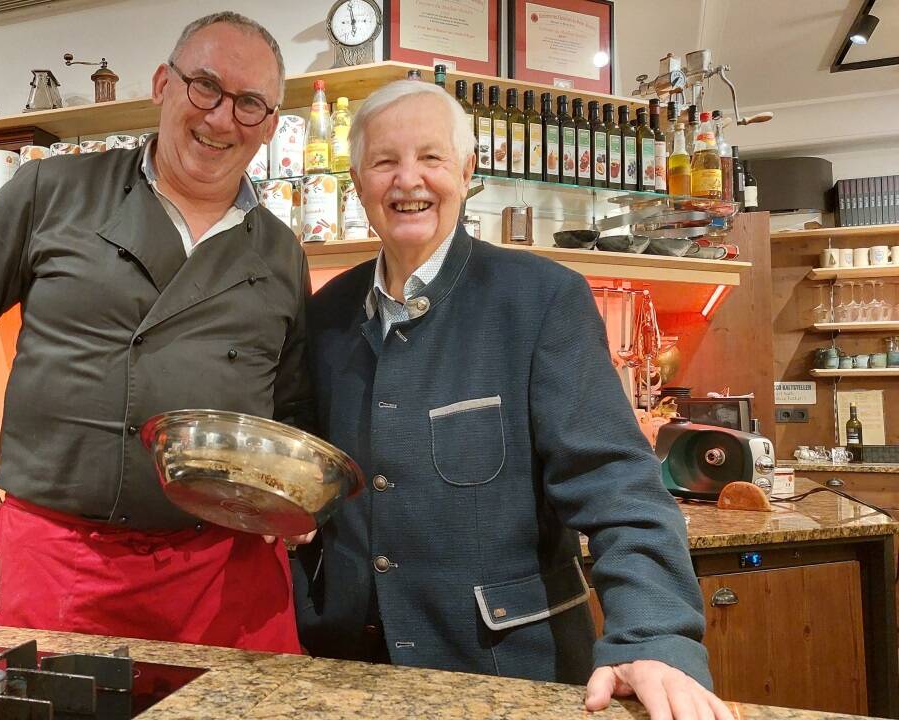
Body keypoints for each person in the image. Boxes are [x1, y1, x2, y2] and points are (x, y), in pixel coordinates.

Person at [293, 80, 734, 719]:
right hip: (348, 671)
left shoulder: (541, 299)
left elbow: (615, 484)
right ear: (358, 181)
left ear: (467, 171)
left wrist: (653, 638)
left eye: (431, 157)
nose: (407, 179)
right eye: (384, 161)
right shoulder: (329, 312)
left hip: (508, 669)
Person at [0, 12, 313, 653]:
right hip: (65, 565)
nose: (222, 118)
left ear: (272, 125)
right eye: (205, 87)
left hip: (227, 575)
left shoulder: (281, 252)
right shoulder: (52, 193)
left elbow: (291, 410)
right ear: (163, 84)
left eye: (250, 103)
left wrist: (291, 501)